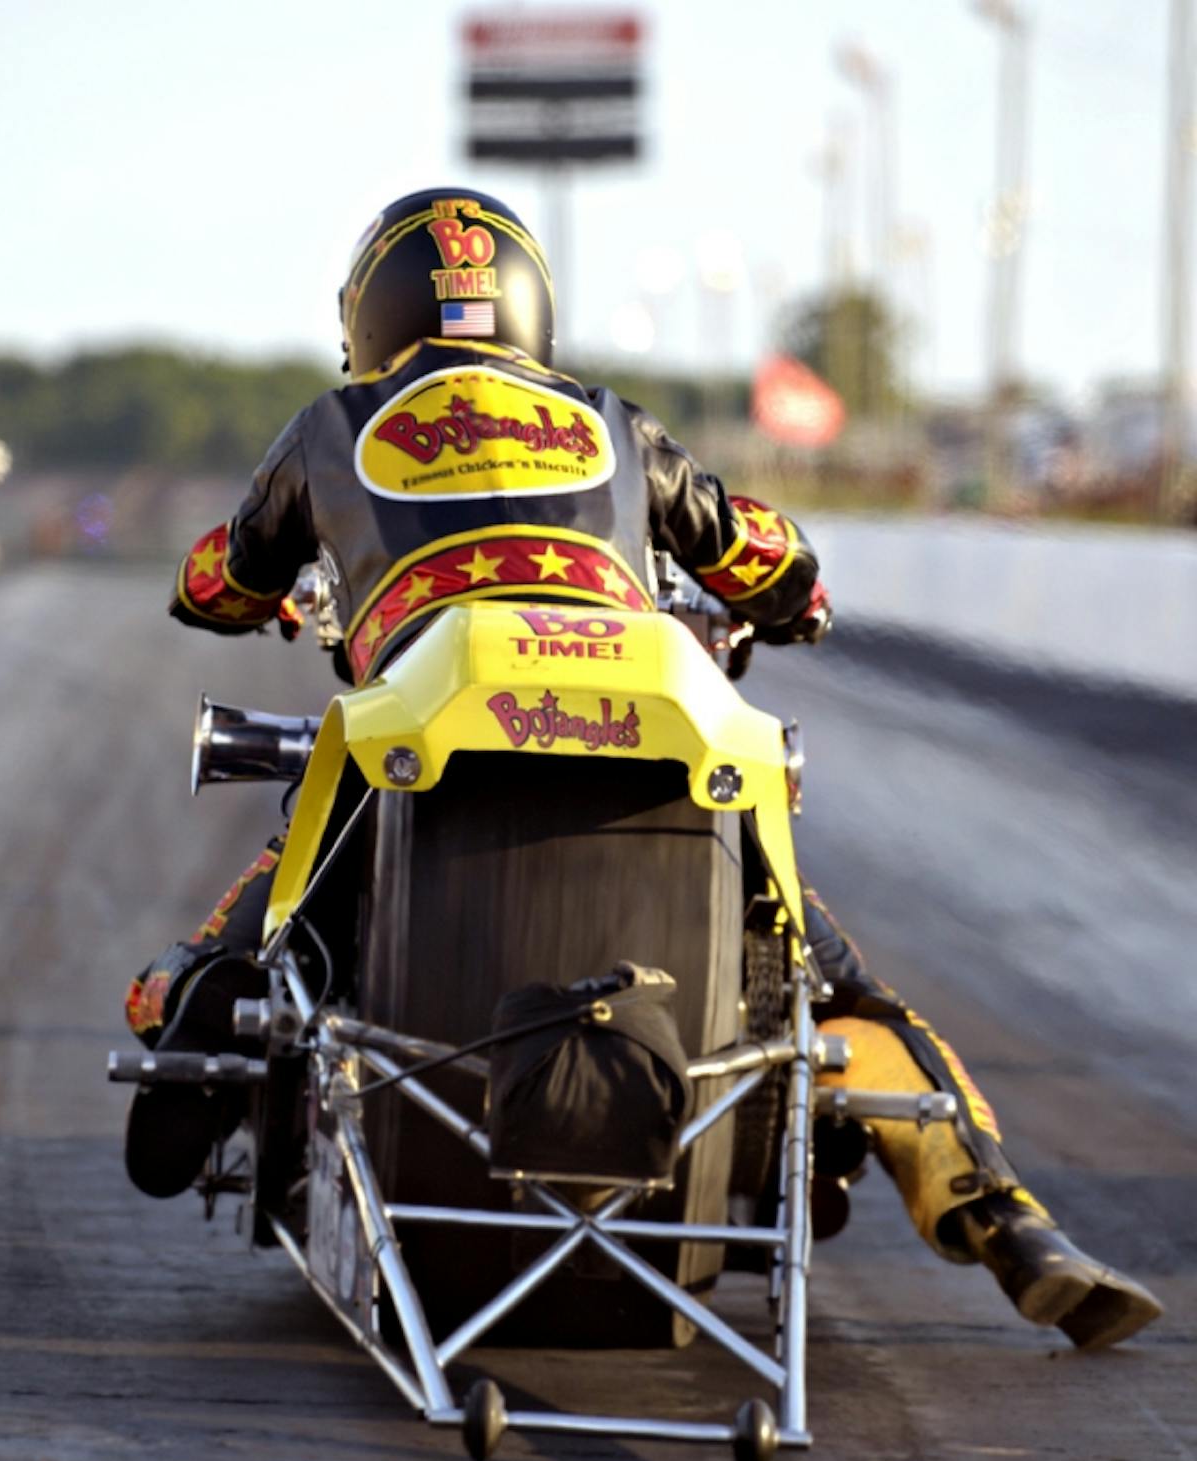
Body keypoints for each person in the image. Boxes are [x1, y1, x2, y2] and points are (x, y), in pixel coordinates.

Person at [124, 187, 1161, 1351]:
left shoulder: (332, 424)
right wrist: (798, 599)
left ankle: (196, 1027)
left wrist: (260, 585)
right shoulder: (612, 420)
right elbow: (763, 552)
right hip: (644, 697)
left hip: (425, 712)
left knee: (263, 935)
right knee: (828, 975)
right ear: (529, 309)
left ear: (372, 311)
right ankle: (1007, 1217)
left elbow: (210, 582)